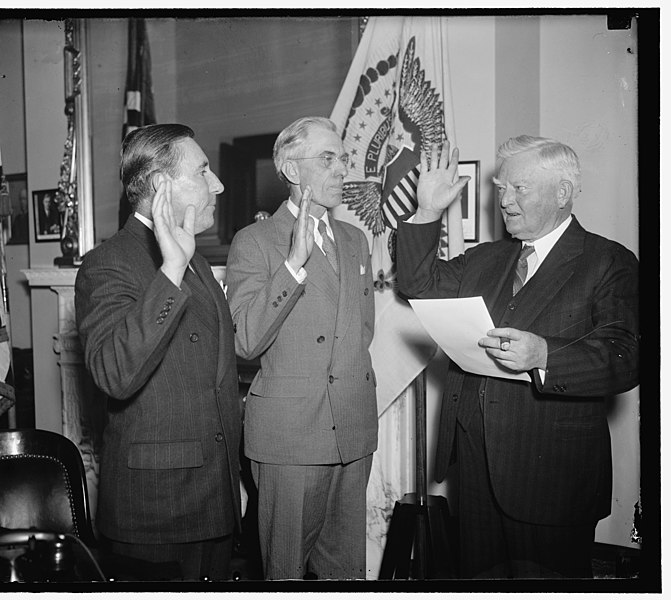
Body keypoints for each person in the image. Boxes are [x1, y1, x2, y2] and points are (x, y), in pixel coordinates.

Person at [396, 136, 639, 579]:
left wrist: (544, 353)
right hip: (475, 474)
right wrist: (428, 212)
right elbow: (416, 283)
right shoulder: (486, 258)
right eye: (500, 188)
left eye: (518, 189)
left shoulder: (608, 261)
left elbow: (625, 357)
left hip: (551, 481)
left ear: (562, 193)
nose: (504, 201)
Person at [75, 124, 244, 581]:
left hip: (215, 497)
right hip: (158, 511)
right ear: (161, 186)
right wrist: (170, 270)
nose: (219, 184)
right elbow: (114, 372)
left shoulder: (200, 263)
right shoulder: (107, 263)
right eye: (204, 171)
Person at [226, 116, 378, 580]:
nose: (342, 170)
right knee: (286, 574)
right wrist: (293, 265)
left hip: (352, 429)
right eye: (327, 159)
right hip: (291, 438)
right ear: (291, 170)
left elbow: (360, 333)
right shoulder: (255, 241)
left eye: (344, 159)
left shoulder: (355, 240)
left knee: (345, 575)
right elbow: (245, 340)